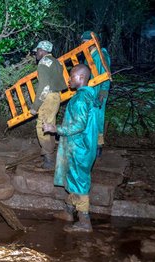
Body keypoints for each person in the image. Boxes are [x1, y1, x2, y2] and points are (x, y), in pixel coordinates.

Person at [43, 64, 100, 233]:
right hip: (86, 145)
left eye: (72, 76)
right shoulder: (91, 96)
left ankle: (84, 221)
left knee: (79, 182)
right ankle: (68, 211)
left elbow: (79, 125)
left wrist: (56, 129)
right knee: (73, 178)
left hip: (79, 146)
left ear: (81, 78)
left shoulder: (80, 99)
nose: (69, 79)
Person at [29, 40, 68, 170]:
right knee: (50, 126)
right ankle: (50, 155)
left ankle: (49, 159)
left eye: (37, 51)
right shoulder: (57, 62)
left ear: (42, 51)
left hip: (48, 98)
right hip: (56, 97)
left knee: (42, 127)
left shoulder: (43, 63)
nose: (36, 54)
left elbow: (44, 87)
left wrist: (35, 106)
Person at [81, 31, 111, 157]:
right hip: (90, 92)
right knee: (88, 118)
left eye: (84, 42)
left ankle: (98, 147)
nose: (82, 44)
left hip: (98, 92)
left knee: (97, 118)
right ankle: (88, 145)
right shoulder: (89, 55)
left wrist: (103, 92)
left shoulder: (101, 55)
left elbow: (106, 73)